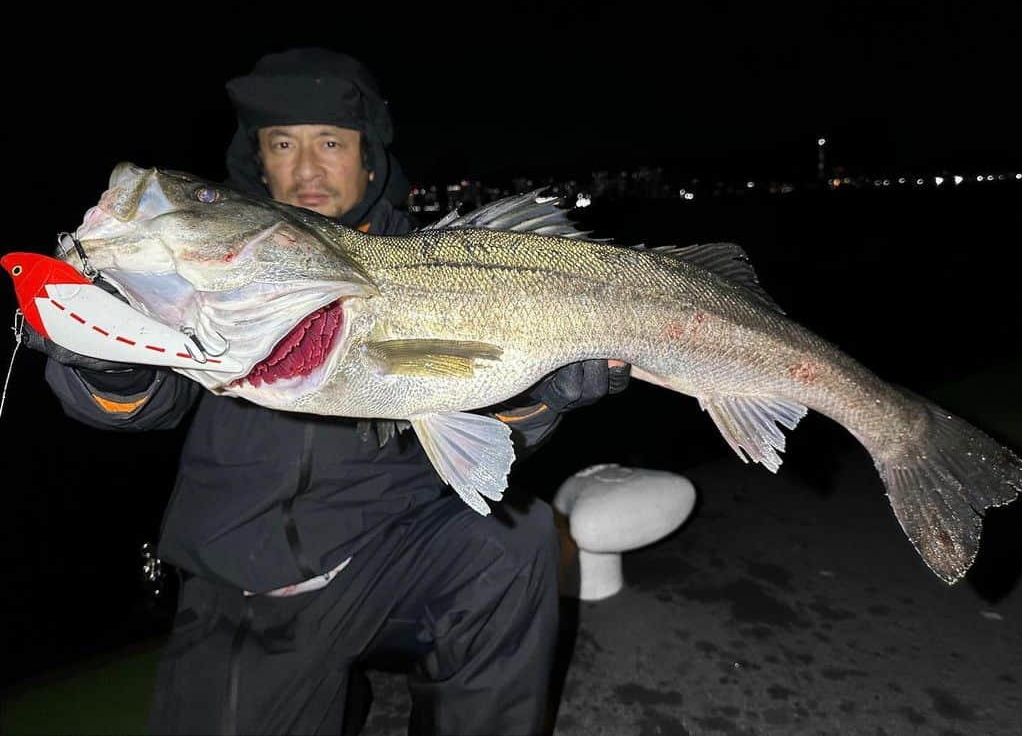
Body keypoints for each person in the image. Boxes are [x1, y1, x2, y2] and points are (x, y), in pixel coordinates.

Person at [25, 47, 631, 736]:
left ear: (370, 157)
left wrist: (544, 398)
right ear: (258, 160)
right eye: (283, 144)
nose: (307, 168)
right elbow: (144, 400)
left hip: (392, 553)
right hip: (246, 586)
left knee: (513, 542)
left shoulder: (445, 257)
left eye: (331, 143)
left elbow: (482, 423)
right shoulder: (214, 264)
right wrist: (102, 356)